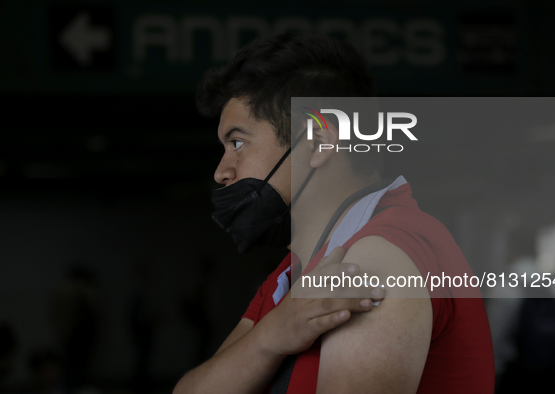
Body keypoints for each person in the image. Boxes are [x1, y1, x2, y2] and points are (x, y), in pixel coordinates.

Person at [173, 32, 494, 394]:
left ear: (321, 143)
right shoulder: (292, 278)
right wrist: (270, 337)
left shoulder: (375, 257)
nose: (222, 171)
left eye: (238, 143)